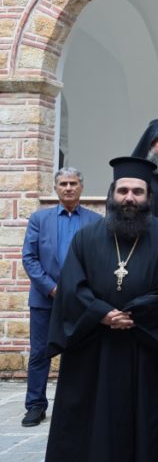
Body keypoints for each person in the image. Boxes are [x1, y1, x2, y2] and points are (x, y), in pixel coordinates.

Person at [41, 157, 158, 462]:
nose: (129, 198)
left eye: (137, 191)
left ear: (149, 197)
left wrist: (133, 313)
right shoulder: (86, 237)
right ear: (111, 194)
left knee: (145, 414)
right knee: (93, 416)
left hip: (145, 342)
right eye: (123, 191)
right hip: (95, 344)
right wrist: (103, 313)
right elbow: (72, 285)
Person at [20, 167, 101, 427]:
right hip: (45, 299)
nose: (68, 188)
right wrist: (51, 288)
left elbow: (99, 260)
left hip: (80, 300)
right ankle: (35, 405)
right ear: (55, 188)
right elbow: (29, 258)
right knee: (40, 353)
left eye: (73, 183)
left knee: (79, 353)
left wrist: (81, 291)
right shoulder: (39, 219)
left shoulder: (95, 221)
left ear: (81, 187)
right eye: (63, 184)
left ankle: (77, 405)